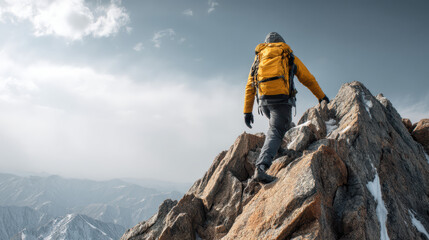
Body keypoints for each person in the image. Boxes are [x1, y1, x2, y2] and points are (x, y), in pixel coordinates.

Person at [243, 32, 329, 183]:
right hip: (281, 101)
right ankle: (261, 168)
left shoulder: (259, 58)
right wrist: (321, 96)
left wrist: (247, 111)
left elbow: (250, 86)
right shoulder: (287, 54)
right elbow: (308, 78)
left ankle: (278, 150)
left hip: (264, 103)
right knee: (276, 130)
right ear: (281, 42)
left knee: (279, 127)